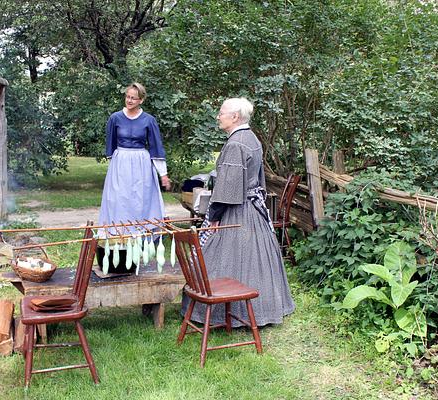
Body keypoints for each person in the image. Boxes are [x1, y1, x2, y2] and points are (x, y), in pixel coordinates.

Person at [182, 97, 295, 327]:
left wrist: (213, 216)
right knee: (255, 260)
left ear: (235, 117)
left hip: (237, 211)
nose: (218, 116)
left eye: (221, 112)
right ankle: (264, 308)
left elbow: (227, 189)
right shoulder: (251, 138)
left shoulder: (235, 144)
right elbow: (258, 180)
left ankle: (227, 314)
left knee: (224, 258)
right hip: (253, 209)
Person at [98, 83, 171, 231]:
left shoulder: (149, 120)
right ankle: (117, 231)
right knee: (119, 198)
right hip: (121, 162)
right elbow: (110, 144)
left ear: (141, 100)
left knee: (140, 198)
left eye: (134, 98)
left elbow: (155, 146)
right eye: (128, 97)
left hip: (141, 162)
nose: (129, 100)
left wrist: (163, 174)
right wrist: (114, 166)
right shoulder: (115, 118)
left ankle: (140, 231)